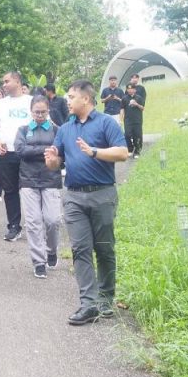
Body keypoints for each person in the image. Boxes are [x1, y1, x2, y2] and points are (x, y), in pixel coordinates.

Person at [44, 80, 128, 326]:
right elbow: (56, 163)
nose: (67, 101)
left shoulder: (106, 123)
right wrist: (51, 160)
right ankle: (88, 304)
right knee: (80, 249)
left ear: (86, 99)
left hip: (102, 195)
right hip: (74, 197)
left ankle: (105, 299)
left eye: (71, 97)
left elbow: (123, 153)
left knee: (104, 249)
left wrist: (94, 151)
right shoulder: (65, 129)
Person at [14, 96, 62, 279]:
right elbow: (20, 151)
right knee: (33, 222)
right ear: (31, 112)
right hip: (28, 180)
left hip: (51, 179)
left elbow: (60, 152)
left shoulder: (57, 130)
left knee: (52, 220)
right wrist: (45, 151)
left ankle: (51, 250)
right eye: (36, 112)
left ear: (48, 111)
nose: (40, 115)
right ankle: (39, 262)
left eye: (43, 112)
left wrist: (34, 151)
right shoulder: (23, 130)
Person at [0, 71, 32, 241]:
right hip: (6, 153)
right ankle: (14, 226)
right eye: (3, 82)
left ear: (18, 81)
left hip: (29, 153)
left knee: (31, 189)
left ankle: (35, 224)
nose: (3, 85)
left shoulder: (31, 101)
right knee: (10, 190)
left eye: (7, 81)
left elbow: (45, 123)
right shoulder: (0, 104)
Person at [121, 82, 145, 158]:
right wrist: (121, 118)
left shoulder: (139, 98)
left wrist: (136, 104)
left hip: (137, 120)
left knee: (137, 136)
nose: (130, 90)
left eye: (132, 88)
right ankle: (130, 149)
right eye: (128, 89)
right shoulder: (124, 98)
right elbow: (122, 108)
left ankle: (137, 151)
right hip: (128, 120)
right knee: (127, 135)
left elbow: (142, 108)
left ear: (135, 90)